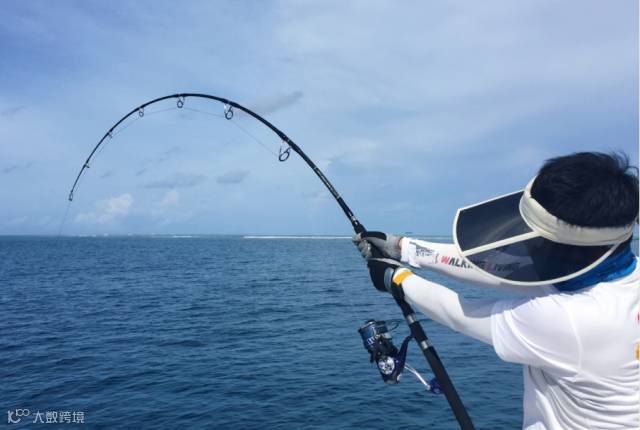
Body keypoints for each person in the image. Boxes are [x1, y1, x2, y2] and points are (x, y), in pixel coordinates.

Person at [354, 152, 639, 430]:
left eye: (535, 237)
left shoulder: (573, 319)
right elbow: (504, 268)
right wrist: (404, 248)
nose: (528, 244)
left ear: (562, 247)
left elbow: (461, 314)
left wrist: (397, 278)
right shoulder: (602, 269)